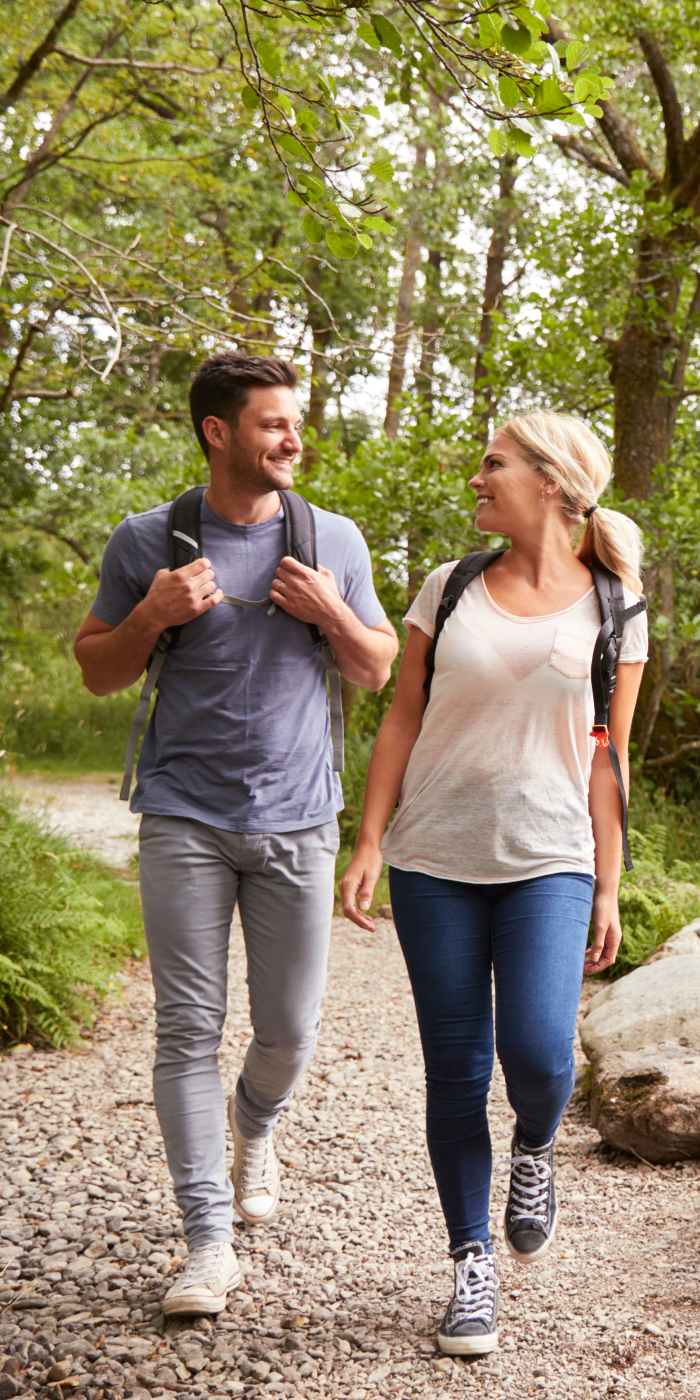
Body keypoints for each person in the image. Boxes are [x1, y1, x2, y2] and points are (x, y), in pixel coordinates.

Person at [74, 353, 397, 1317]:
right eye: (273, 424)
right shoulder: (149, 539)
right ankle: (206, 1242)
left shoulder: (330, 536)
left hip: (300, 820)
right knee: (186, 1029)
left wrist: (333, 609)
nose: (294, 438)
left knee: (290, 1032)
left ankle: (256, 1121)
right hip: (183, 815)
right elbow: (97, 670)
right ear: (218, 433)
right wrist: (151, 614)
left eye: (295, 421)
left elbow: (378, 669)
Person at [341, 410, 647, 1357]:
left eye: (492, 464)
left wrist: (608, 883)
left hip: (552, 856)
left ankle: (534, 1150)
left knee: (542, 1054)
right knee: (458, 1068)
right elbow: (400, 719)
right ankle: (471, 1263)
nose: (476, 478)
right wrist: (369, 838)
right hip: (435, 857)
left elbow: (610, 757)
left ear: (550, 484)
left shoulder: (616, 606)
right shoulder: (451, 585)